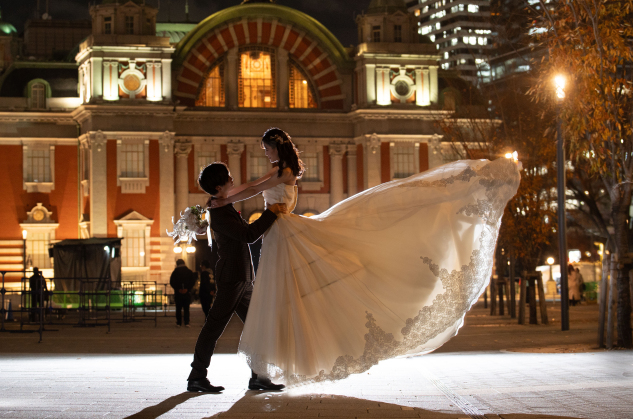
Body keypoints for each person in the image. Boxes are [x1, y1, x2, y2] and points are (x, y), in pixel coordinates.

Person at [209, 127, 520, 386]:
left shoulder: (285, 171)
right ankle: (263, 371)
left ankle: (264, 370)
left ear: (276, 148)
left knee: (287, 293)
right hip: (279, 233)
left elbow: (251, 189)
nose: (266, 154)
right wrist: (222, 199)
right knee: (280, 296)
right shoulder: (281, 169)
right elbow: (251, 187)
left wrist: (222, 200)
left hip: (284, 232)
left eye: (267, 150)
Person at [187, 162, 288, 393]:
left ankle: (259, 377)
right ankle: (196, 376)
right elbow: (249, 235)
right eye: (229, 177)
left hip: (242, 278)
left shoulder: (223, 206)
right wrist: (270, 213)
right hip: (232, 278)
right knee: (213, 327)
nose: (233, 179)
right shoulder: (219, 212)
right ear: (219, 185)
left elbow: (246, 227)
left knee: (259, 326)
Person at [170, 259, 197, 327]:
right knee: (186, 308)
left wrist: (178, 289)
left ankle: (179, 322)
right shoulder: (189, 271)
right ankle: (186, 322)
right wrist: (187, 289)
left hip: (178, 293)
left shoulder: (175, 272)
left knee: (178, 308)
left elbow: (172, 282)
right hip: (187, 293)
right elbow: (192, 281)